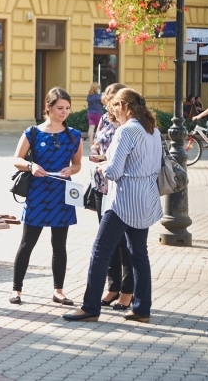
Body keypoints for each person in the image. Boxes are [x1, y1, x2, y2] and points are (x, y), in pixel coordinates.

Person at [64, 88, 162, 324]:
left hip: (123, 200)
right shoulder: (153, 130)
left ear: (122, 107)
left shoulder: (126, 131)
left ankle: (90, 307)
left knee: (100, 251)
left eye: (112, 109)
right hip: (146, 197)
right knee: (139, 253)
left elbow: (115, 171)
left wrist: (102, 167)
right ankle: (141, 308)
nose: (111, 115)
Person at [10, 87, 82, 306]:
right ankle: (17, 290)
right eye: (60, 108)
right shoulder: (33, 132)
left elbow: (78, 164)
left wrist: (72, 170)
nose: (64, 112)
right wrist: (31, 166)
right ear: (48, 108)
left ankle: (58, 291)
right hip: (38, 193)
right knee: (27, 243)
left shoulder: (74, 135)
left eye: (68, 108)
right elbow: (16, 159)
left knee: (59, 245)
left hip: (62, 194)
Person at [89, 83, 134, 310]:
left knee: (125, 243)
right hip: (101, 185)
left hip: (122, 188)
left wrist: (106, 158)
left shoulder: (129, 124)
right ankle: (113, 287)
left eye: (112, 100)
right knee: (107, 240)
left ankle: (127, 291)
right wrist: (95, 151)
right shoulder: (105, 120)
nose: (109, 105)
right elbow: (97, 141)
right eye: (107, 101)